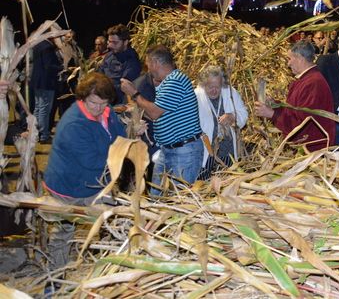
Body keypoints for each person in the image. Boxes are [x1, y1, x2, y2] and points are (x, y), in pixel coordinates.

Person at [43, 73, 128, 272]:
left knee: (109, 224)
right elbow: (91, 161)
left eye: (103, 103)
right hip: (69, 185)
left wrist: (128, 137)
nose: (98, 108)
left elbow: (118, 134)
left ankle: (107, 270)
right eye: (93, 103)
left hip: (97, 182)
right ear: (82, 98)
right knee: (63, 232)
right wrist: (121, 157)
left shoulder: (107, 111)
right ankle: (55, 278)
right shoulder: (75, 123)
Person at [121, 45, 202, 196]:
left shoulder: (176, 81)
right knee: (156, 196)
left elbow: (155, 113)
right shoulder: (167, 83)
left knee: (182, 199)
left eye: (148, 64)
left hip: (183, 152)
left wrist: (133, 93)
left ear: (156, 62)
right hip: (168, 150)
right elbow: (157, 114)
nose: (148, 69)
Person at [256, 40, 336, 151]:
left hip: (312, 150)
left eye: (289, 59)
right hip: (307, 148)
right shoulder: (306, 80)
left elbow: (301, 124)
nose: (288, 64)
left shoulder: (313, 84)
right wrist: (274, 104)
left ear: (300, 58)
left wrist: (272, 114)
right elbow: (294, 111)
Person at [195, 65, 248, 179]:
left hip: (227, 150)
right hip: (205, 151)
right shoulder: (196, 96)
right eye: (210, 87)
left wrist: (233, 116)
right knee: (204, 181)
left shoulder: (230, 92)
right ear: (204, 84)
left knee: (228, 182)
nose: (214, 91)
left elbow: (243, 114)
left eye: (217, 87)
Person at [99, 24, 142, 105]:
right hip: (104, 98)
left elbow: (124, 88)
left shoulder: (132, 61)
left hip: (120, 102)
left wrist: (104, 87)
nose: (110, 45)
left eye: (115, 43)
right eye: (109, 42)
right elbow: (99, 75)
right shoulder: (109, 56)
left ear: (126, 42)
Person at [31, 37, 62, 143]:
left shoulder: (39, 45)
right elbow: (49, 65)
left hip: (37, 81)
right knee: (44, 109)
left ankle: (36, 133)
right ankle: (44, 135)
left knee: (38, 108)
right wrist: (64, 69)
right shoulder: (47, 47)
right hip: (46, 82)